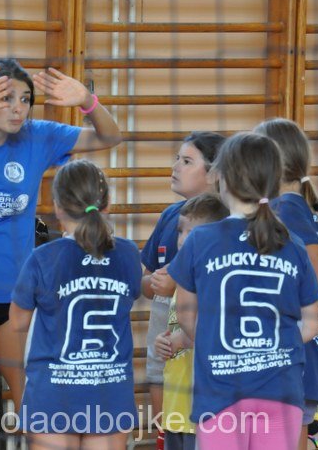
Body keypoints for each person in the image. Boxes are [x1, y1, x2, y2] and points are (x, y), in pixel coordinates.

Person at [0, 58, 122, 433]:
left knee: (34, 404)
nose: (18, 108)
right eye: (6, 98)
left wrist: (87, 100)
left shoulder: (38, 136)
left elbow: (110, 137)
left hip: (18, 299)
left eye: (25, 99)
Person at [168, 133, 318, 449]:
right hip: (280, 390)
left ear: (222, 178)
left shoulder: (201, 240)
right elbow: (312, 325)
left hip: (221, 391)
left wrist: (219, 344)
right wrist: (270, 348)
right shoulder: (292, 244)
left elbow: (185, 315)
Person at [9, 159, 141, 450]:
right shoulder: (129, 254)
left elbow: (17, 322)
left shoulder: (43, 258)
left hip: (54, 392)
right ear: (107, 204)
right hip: (109, 391)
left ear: (58, 207)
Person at [254, 117, 318, 450]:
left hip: (293, 343)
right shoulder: (291, 205)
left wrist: (293, 316)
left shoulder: (286, 206)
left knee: (288, 428)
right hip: (295, 341)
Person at [140, 131, 225, 445]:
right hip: (166, 322)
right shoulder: (170, 216)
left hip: (204, 337)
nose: (175, 166)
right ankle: (164, 439)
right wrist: (155, 283)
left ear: (214, 173)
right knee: (159, 377)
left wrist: (178, 281)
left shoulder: (227, 221)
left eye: (187, 161)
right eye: (177, 158)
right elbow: (145, 282)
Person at [154, 194, 229, 450]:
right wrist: (164, 341)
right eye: (180, 231)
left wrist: (183, 339)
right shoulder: (182, 280)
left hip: (203, 406)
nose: (183, 239)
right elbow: (176, 327)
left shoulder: (216, 280)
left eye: (192, 232)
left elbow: (220, 333)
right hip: (176, 403)